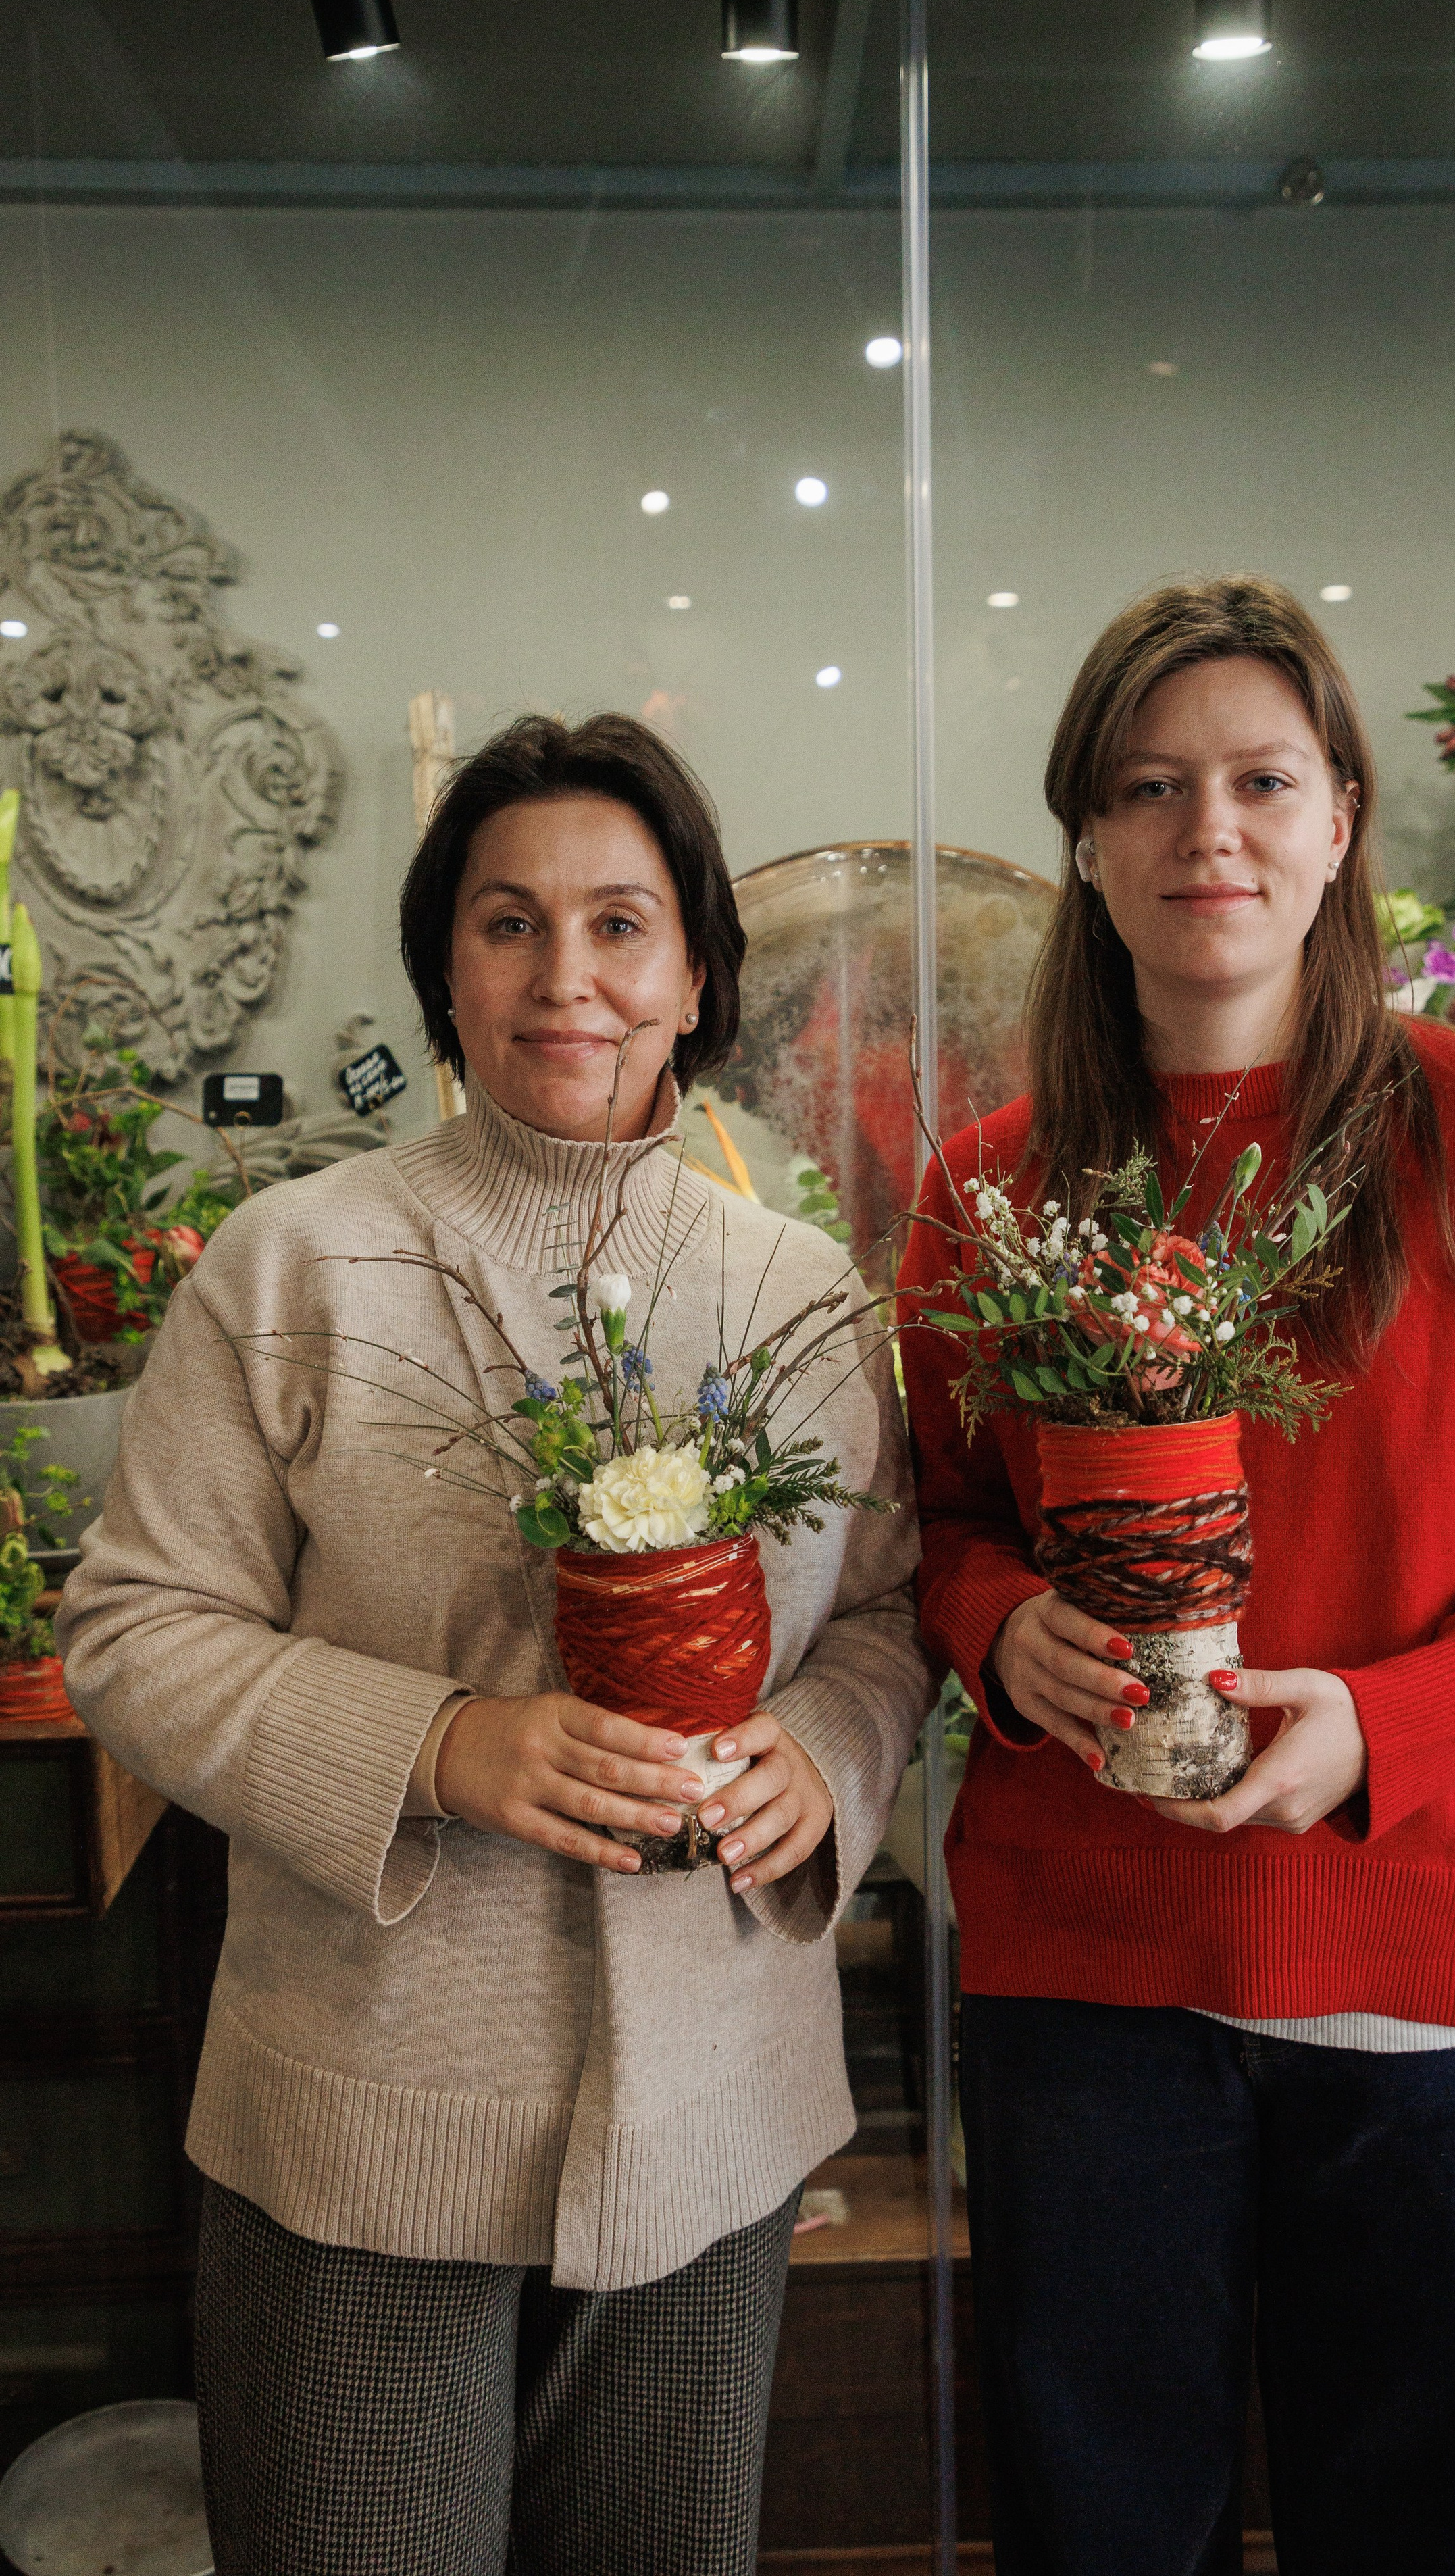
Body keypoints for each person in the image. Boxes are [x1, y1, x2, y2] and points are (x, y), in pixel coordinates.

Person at [59, 712, 929, 2576]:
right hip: (360, 2129)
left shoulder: (799, 1288)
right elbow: (134, 1631)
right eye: (508, 922)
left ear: (697, 969)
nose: (568, 977)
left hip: (713, 2122)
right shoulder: (290, 1265)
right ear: (443, 966)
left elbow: (881, 1618)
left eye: (622, 924)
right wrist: (442, 1746)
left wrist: (823, 1756)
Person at [897, 578, 1455, 2576]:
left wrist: (1386, 1721)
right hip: (1093, 1967)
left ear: (1343, 816)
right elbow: (933, 1516)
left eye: (1262, 780)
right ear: (1087, 838)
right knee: (1100, 2533)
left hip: (1431, 1962)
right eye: (1152, 789)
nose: (1210, 835)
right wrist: (1004, 1630)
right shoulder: (986, 1183)